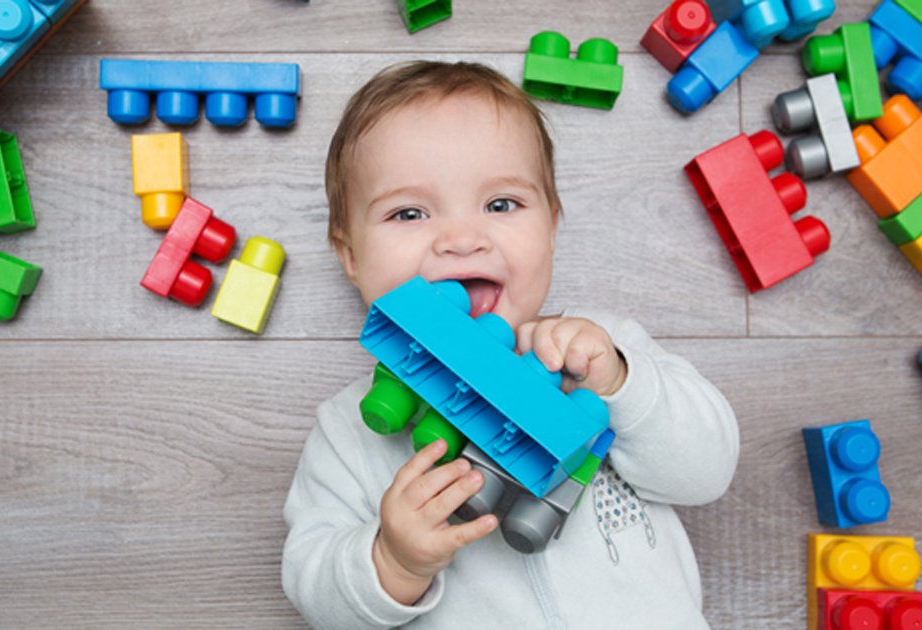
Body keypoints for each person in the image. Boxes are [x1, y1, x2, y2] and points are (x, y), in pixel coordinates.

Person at [282, 60, 739, 629]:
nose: (461, 239)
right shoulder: (350, 430)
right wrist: (393, 562)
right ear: (350, 256)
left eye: (501, 205)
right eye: (409, 212)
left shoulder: (601, 353)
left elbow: (707, 473)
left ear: (551, 226)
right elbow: (314, 590)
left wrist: (621, 382)